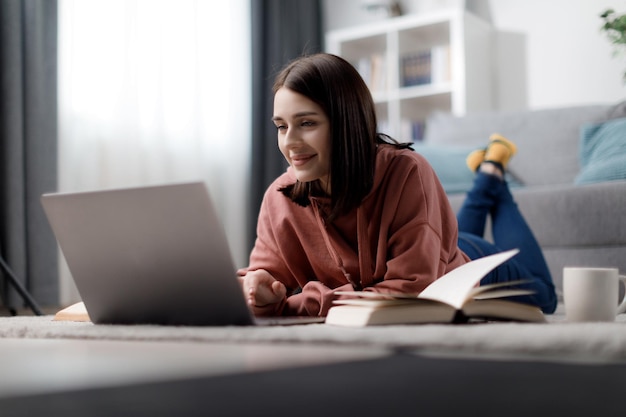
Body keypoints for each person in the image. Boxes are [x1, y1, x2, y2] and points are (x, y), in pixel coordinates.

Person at [238, 53, 557, 318]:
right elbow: (256, 287)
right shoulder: (279, 197)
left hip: (465, 269)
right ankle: (489, 174)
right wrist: (257, 290)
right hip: (431, 249)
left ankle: (493, 180)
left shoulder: (407, 171)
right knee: (446, 243)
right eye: (281, 126)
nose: (290, 142)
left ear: (348, 122)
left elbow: (409, 294)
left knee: (544, 296)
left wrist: (297, 304)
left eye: (307, 123)